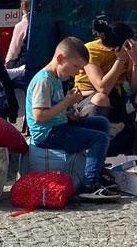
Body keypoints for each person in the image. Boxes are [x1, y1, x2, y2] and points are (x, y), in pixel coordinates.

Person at [26, 36, 120, 201]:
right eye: (76, 67)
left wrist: (70, 113)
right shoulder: (43, 81)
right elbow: (39, 117)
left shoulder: (55, 78)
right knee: (99, 139)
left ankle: (97, 170)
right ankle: (89, 185)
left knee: (102, 123)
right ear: (61, 59)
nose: (76, 73)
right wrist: (66, 103)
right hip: (47, 134)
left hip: (57, 125)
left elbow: (54, 109)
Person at [74, 20, 137, 156]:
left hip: (118, 98)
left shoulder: (129, 50)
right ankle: (93, 152)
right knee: (102, 98)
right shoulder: (91, 50)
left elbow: (136, 87)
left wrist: (136, 61)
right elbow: (102, 88)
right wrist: (120, 60)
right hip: (89, 101)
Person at [5, 0, 36, 79]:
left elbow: (12, 54)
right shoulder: (47, 23)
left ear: (22, 5)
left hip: (25, 66)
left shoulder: (22, 25)